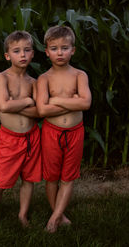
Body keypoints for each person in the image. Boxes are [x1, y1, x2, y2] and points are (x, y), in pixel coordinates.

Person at [0, 31, 42, 230]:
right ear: (8, 56)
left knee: (29, 179)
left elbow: (39, 112)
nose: (22, 55)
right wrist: (27, 101)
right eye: (17, 51)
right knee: (1, 181)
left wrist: (18, 104)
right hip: (10, 139)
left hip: (32, 137)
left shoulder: (34, 82)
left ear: (33, 53)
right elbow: (4, 106)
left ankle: (22, 215)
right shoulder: (2, 78)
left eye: (27, 50)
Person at [36, 25, 92, 233]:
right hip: (51, 133)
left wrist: (56, 100)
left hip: (75, 132)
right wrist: (71, 100)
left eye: (65, 47)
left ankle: (55, 218)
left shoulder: (80, 75)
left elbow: (86, 104)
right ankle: (58, 213)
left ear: (73, 50)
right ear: (47, 51)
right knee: (51, 177)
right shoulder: (44, 79)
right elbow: (42, 109)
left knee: (68, 176)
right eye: (54, 48)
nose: (60, 53)